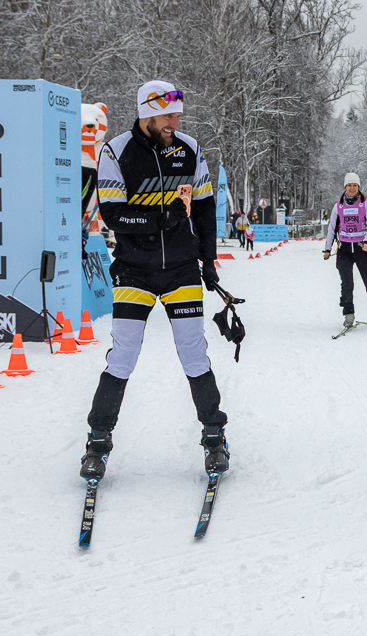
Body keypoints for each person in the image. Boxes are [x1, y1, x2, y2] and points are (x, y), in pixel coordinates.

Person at [80, 80, 229, 481]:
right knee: (123, 355)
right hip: (135, 270)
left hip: (181, 269)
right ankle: (97, 442)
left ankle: (215, 437)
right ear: (147, 113)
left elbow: (204, 207)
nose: (174, 122)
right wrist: (156, 220)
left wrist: (208, 260)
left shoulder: (190, 149)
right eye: (167, 116)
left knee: (193, 352)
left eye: (178, 115)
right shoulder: (116, 152)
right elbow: (112, 214)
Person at [323, 173, 367, 328]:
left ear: (358, 187)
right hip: (344, 249)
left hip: (362, 248)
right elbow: (332, 228)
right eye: (349, 185)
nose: (352, 188)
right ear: (345, 187)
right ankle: (349, 315)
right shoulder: (338, 206)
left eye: (355, 185)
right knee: (347, 284)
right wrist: (327, 249)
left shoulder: (365, 204)